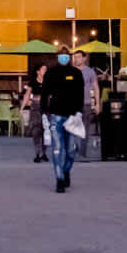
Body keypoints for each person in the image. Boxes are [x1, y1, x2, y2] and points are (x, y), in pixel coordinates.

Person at [40, 45, 85, 192]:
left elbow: (80, 94)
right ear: (57, 57)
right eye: (61, 55)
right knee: (57, 149)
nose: (63, 58)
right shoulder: (51, 73)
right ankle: (59, 179)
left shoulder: (76, 73)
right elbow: (44, 94)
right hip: (55, 115)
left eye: (66, 55)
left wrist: (79, 111)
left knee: (71, 151)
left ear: (69, 57)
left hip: (72, 117)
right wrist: (43, 113)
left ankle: (66, 171)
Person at [25, 65, 47, 163]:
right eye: (43, 69)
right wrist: (23, 107)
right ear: (38, 71)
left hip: (46, 107)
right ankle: (37, 153)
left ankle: (44, 153)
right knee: (36, 131)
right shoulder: (33, 82)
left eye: (46, 69)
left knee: (46, 130)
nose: (45, 71)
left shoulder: (48, 81)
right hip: (35, 108)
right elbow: (27, 94)